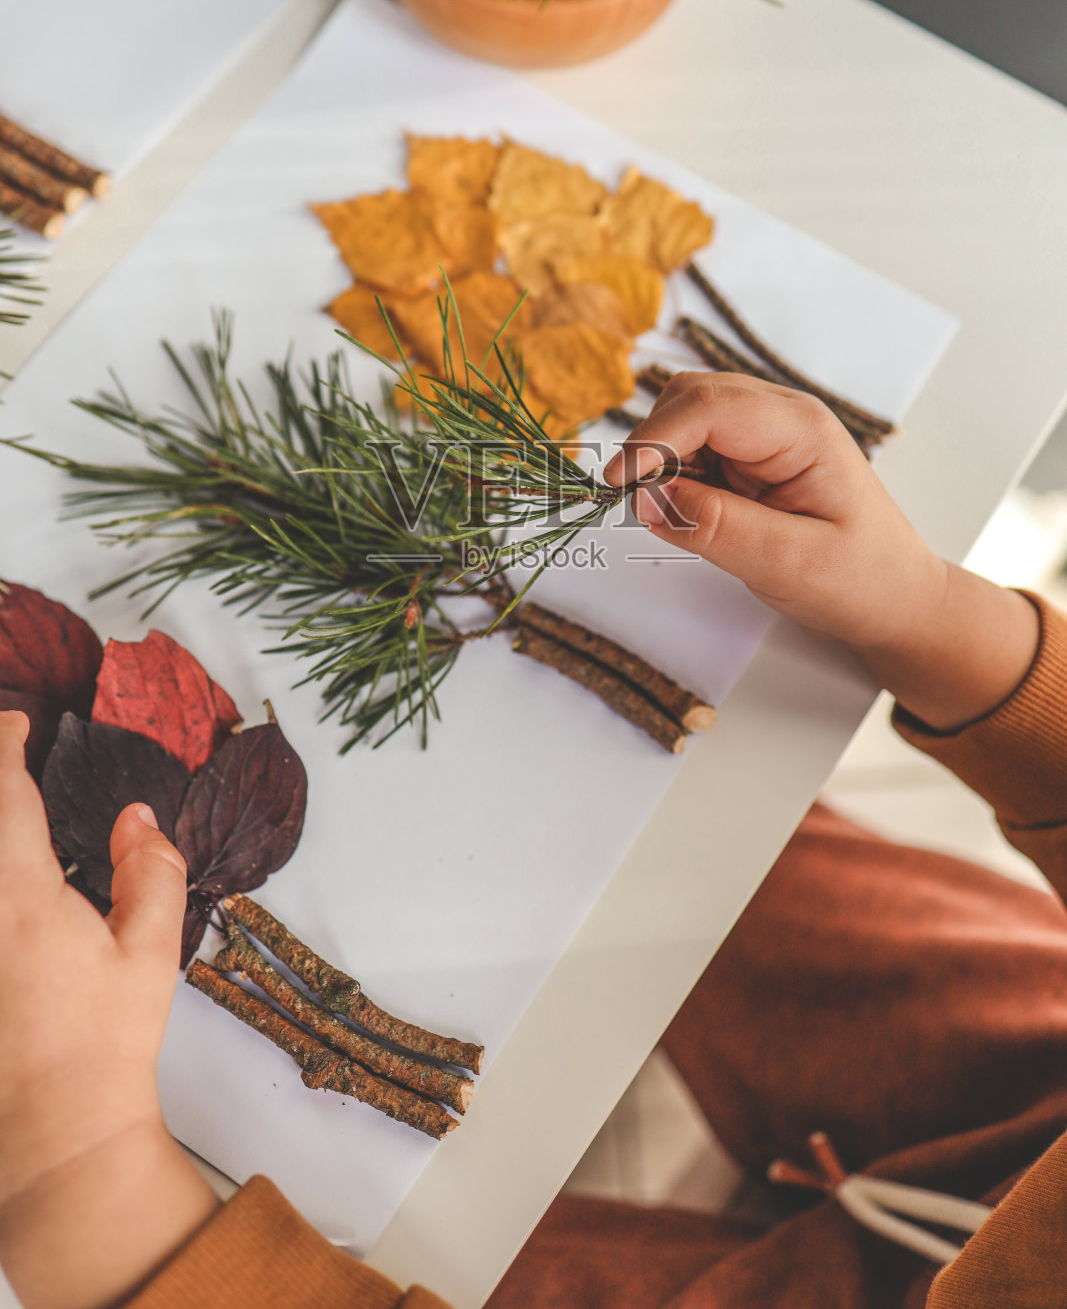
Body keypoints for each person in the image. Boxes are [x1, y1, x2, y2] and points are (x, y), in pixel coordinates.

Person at [2, 371, 1066, 1309]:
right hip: (1036, 1088)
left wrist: (76, 1168)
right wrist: (934, 618)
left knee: (427, 1254)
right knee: (699, 847)